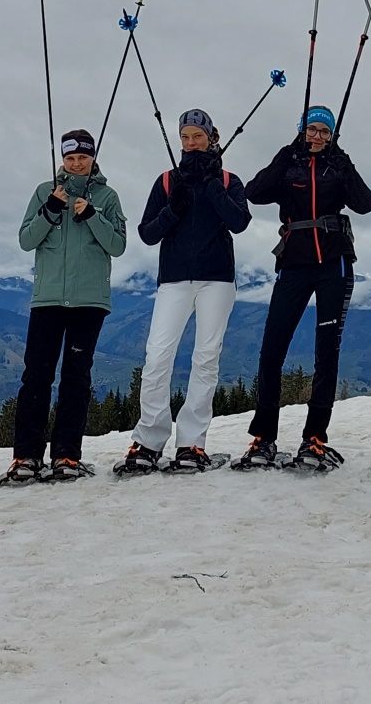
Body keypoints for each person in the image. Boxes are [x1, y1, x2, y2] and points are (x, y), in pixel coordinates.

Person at [234, 106, 371, 471]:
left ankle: (315, 437)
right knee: (272, 350)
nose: (317, 136)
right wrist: (286, 153)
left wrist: (343, 161)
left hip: (334, 263)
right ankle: (264, 437)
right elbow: (255, 192)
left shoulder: (337, 165)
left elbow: (365, 203)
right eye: (311, 130)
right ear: (301, 131)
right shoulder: (290, 163)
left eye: (324, 132)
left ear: (332, 136)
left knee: (326, 352)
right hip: (294, 263)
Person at [124, 110, 251, 475]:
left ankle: (192, 443)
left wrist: (213, 190)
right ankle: (149, 439)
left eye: (198, 136)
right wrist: (172, 211)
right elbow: (148, 233)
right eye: (185, 137)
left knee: (205, 358)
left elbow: (240, 223)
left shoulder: (228, 180)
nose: (191, 143)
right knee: (157, 356)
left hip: (217, 280)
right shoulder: (167, 182)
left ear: (212, 137)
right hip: (174, 279)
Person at [2, 130, 127, 484]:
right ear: (62, 159)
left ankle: (67, 456)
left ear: (92, 158)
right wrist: (50, 210)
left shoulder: (108, 196)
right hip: (48, 300)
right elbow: (27, 239)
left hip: (89, 302)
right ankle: (26, 455)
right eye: (70, 158)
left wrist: (92, 216)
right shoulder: (45, 192)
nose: (76, 164)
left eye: (82, 158)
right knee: (36, 375)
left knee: (76, 378)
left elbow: (117, 245)